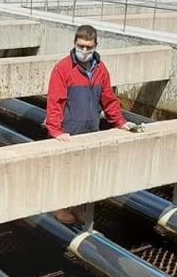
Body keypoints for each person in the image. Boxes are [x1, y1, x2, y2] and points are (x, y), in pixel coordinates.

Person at [46, 24, 140, 224]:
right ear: (74, 43)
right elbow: (55, 101)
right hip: (70, 131)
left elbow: (108, 99)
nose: (84, 51)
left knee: (84, 173)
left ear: (96, 45)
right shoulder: (63, 69)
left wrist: (120, 122)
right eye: (81, 46)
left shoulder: (101, 70)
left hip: (91, 130)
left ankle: (78, 207)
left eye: (89, 47)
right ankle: (61, 209)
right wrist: (55, 131)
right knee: (67, 172)